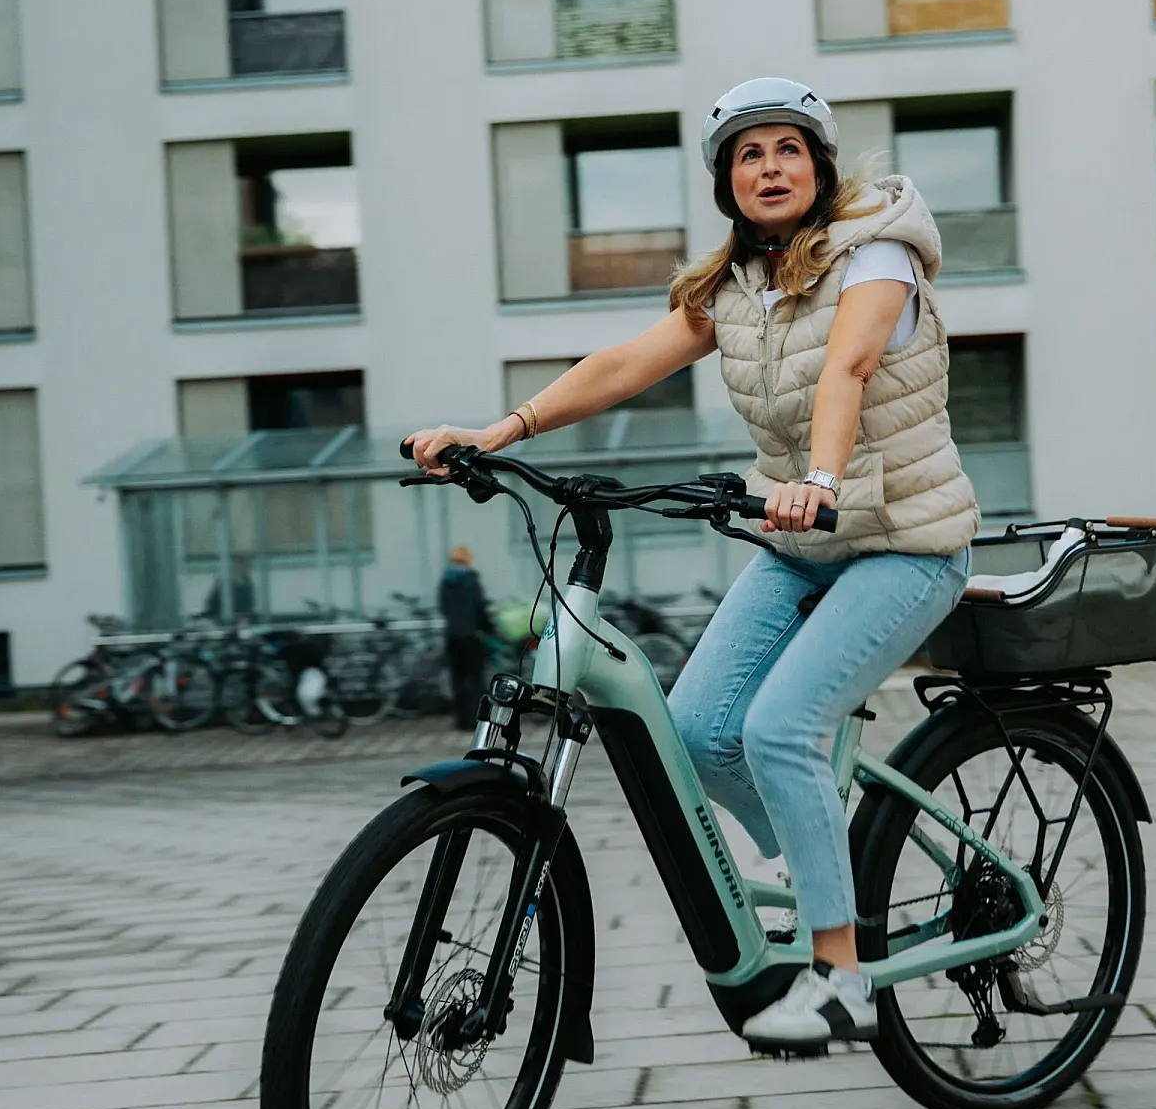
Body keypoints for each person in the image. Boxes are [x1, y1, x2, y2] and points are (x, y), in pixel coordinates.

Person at [407, 78, 978, 1052]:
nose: (770, 168)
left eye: (788, 150)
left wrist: (821, 478)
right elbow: (625, 363)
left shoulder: (877, 249)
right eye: (749, 155)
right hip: (800, 543)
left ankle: (843, 981)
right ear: (728, 183)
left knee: (780, 728)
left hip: (906, 541)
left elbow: (848, 367)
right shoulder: (737, 286)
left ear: (819, 167)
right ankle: (822, 858)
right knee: (699, 731)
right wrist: (501, 431)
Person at [437, 546, 492, 730]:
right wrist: (488, 629)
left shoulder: (445, 580)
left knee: (458, 679)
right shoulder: (470, 579)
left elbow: (443, 608)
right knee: (475, 678)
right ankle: (475, 719)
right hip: (471, 635)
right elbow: (479, 607)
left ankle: (461, 720)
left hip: (452, 636)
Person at [201, 555, 256, 623]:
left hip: (242, 618)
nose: (248, 569)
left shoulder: (247, 581)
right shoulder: (225, 582)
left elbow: (250, 602)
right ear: (237, 565)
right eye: (246, 565)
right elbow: (213, 603)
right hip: (224, 618)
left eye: (248, 566)